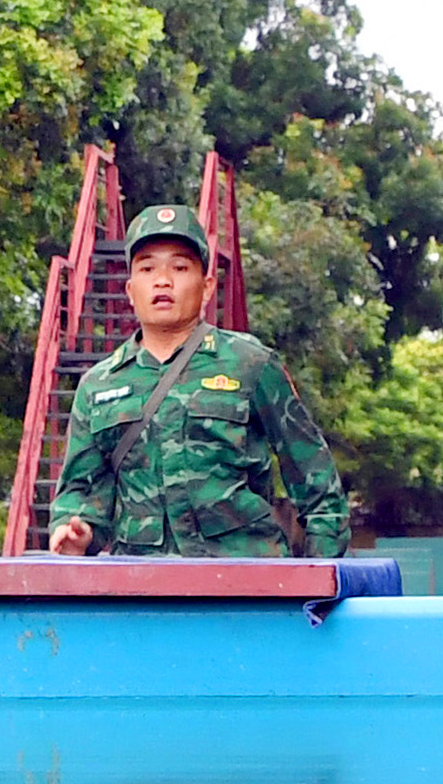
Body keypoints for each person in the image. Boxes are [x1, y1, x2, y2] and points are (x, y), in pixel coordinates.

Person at [47, 204, 351, 558]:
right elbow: (81, 492)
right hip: (144, 591)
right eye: (147, 268)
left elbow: (315, 479)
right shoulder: (98, 386)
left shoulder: (250, 363)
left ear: (206, 286)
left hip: (245, 586)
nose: (163, 280)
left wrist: (317, 580)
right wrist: (75, 532)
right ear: (130, 291)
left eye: (179, 267)